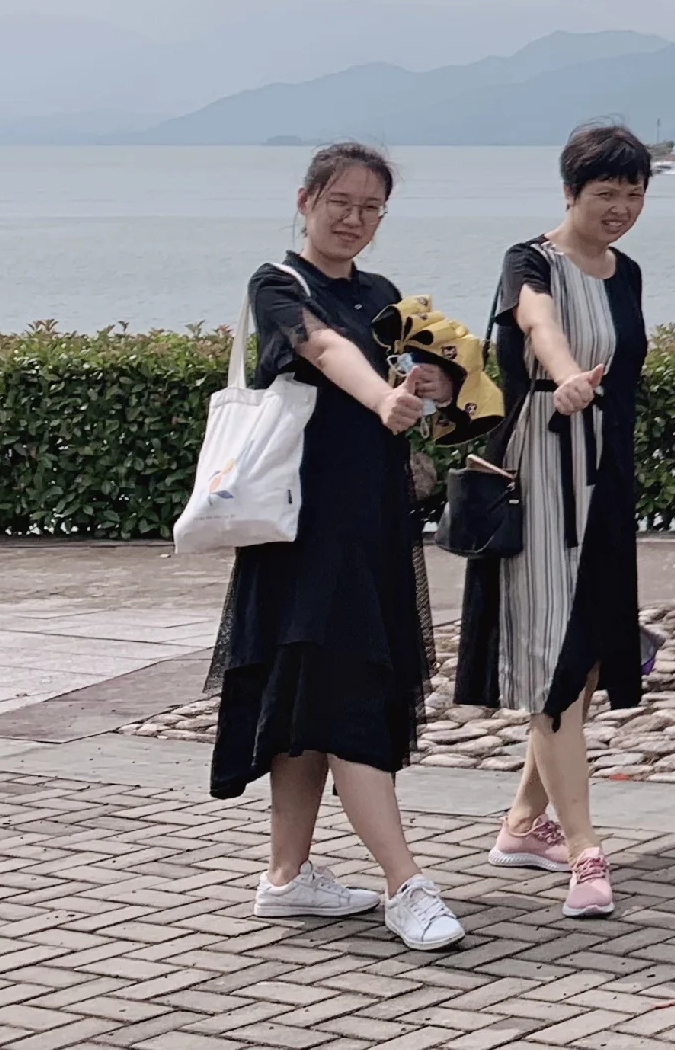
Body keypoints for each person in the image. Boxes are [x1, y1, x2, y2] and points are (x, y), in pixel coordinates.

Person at [210, 143, 470, 952]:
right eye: (340, 203)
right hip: (306, 535)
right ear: (306, 200)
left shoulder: (384, 294)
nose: (354, 219)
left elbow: (416, 373)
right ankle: (406, 884)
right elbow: (326, 349)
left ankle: (286, 878)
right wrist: (383, 397)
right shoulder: (278, 283)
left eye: (371, 208)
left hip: (374, 527)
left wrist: (430, 387)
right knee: (350, 696)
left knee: (309, 705)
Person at [456, 122, 654, 921]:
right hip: (543, 475)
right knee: (554, 662)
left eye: (634, 194)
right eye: (605, 193)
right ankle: (583, 849)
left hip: (607, 478)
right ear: (569, 192)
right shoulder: (529, 260)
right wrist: (568, 376)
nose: (620, 208)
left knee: (591, 656)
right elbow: (538, 322)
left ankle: (520, 825)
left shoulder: (627, 271)